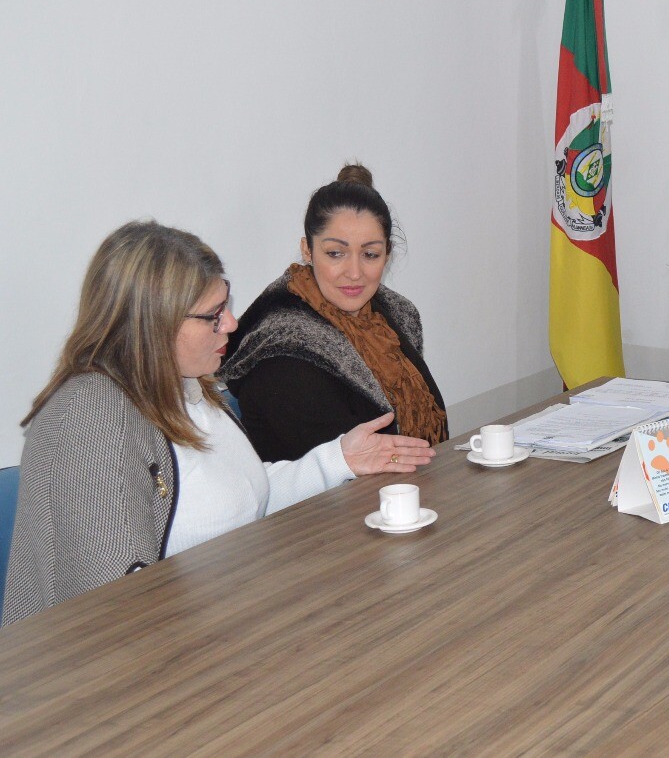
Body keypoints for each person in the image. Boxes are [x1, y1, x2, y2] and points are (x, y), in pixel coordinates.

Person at [3, 222, 435, 624]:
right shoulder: (90, 417)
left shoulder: (188, 387)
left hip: (229, 622)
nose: (231, 322)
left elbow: (243, 498)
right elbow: (116, 609)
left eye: (224, 305)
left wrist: (339, 459)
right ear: (153, 323)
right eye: (213, 314)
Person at [220, 165, 447, 462]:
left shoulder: (397, 316)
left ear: (387, 255)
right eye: (335, 253)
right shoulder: (282, 350)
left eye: (370, 254)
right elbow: (334, 477)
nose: (354, 272)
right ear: (307, 250)